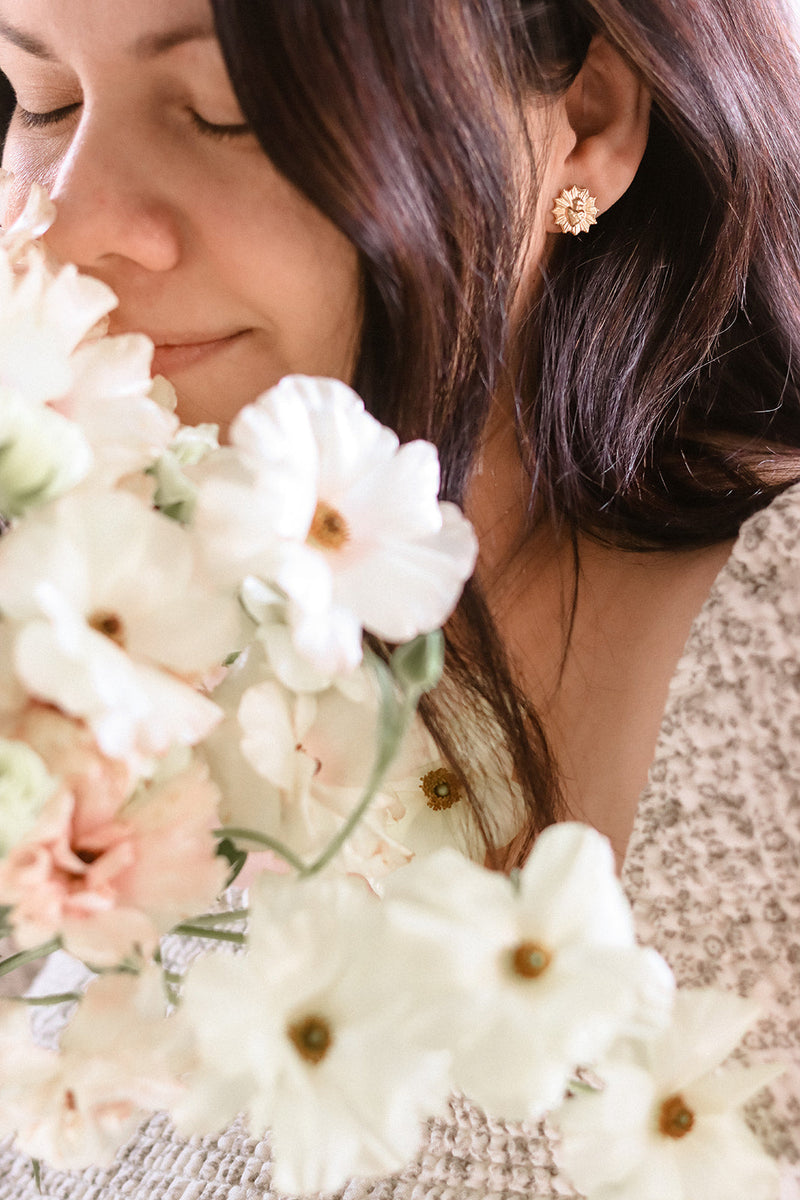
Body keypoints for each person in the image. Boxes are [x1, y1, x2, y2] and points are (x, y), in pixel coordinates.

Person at [1, 0, 800, 1196]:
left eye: (231, 112)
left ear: (584, 121)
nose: (71, 230)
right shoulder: (77, 642)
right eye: (45, 99)